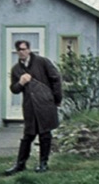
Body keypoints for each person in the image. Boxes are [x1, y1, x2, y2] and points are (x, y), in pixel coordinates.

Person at [5, 40, 62, 175]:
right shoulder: (16, 69)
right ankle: (20, 164)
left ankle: (43, 163)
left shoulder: (42, 62)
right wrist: (21, 82)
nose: (22, 52)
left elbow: (56, 79)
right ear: (16, 52)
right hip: (30, 106)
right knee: (28, 135)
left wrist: (57, 98)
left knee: (45, 134)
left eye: (24, 49)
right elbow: (14, 89)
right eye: (19, 50)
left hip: (45, 104)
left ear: (29, 50)